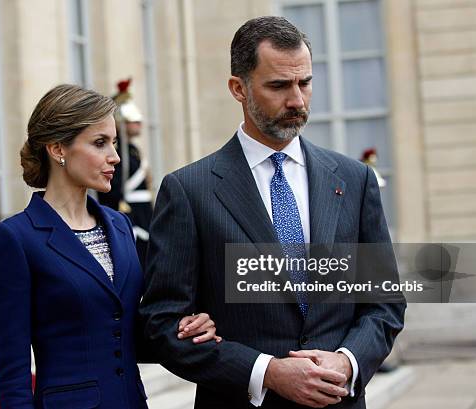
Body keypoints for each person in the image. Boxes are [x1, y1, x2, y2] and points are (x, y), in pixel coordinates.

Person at [139, 16, 406, 409]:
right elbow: (162, 324)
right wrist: (266, 372)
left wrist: (346, 362)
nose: (297, 100)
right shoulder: (189, 191)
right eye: (279, 85)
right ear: (238, 89)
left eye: (305, 83)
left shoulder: (354, 180)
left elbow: (384, 302)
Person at [0, 84, 220, 408]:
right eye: (100, 143)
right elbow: (12, 369)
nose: (115, 156)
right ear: (57, 149)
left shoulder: (120, 226)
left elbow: (122, 329)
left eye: (113, 142)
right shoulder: (15, 238)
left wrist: (182, 329)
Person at [98, 79, 153, 269]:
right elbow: (113, 187)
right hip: (129, 211)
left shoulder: (132, 150)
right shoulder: (120, 150)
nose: (138, 124)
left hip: (143, 209)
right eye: (133, 121)